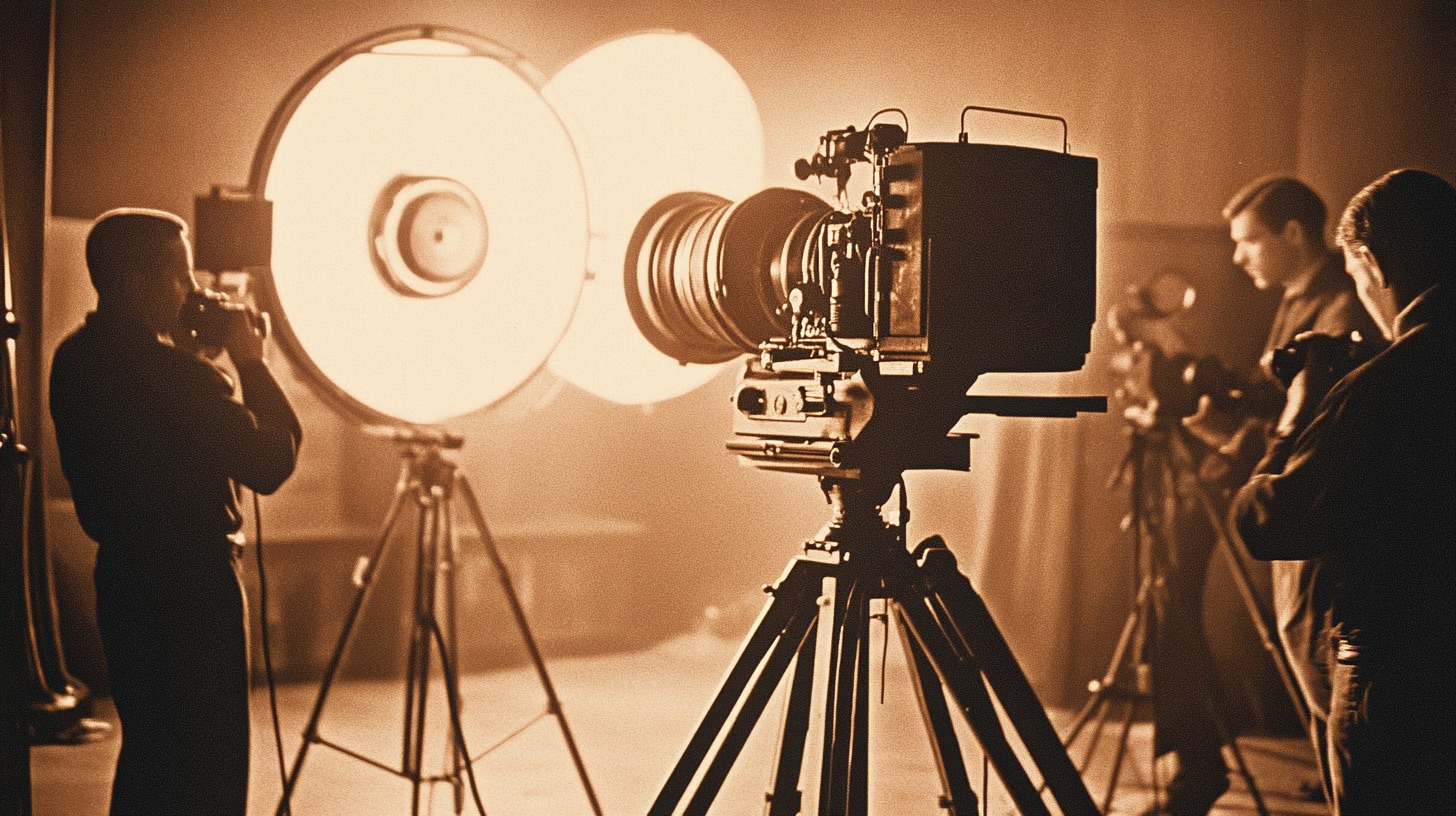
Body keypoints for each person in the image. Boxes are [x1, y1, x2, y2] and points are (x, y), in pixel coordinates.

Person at [1136, 177, 1380, 816]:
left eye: (1248, 242)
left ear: (1293, 234)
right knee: (1169, 590)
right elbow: (1276, 401)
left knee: (1306, 640)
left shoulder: (1342, 309)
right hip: (1264, 483)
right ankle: (1201, 762)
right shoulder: (1304, 297)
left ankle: (1206, 769)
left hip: (1296, 501)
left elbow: (1304, 433)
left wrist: (1220, 427)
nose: (1239, 258)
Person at [49, 208, 302, 815]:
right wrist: (249, 361)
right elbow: (273, 457)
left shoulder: (74, 359)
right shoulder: (176, 379)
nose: (192, 293)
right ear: (137, 282)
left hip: (124, 582)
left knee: (153, 758)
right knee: (209, 766)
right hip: (194, 591)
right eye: (179, 278)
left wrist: (191, 357)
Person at [1230, 168, 1455, 815]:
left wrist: (1295, 418)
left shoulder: (1392, 378)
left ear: (1373, 263)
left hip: (1395, 671)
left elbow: (1269, 522)